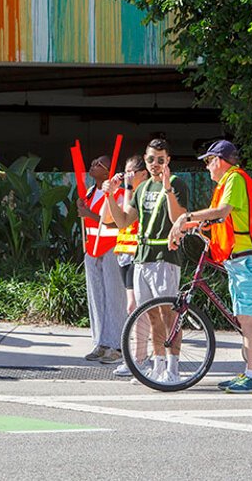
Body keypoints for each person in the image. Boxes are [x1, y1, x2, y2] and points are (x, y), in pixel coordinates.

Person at [168, 140, 252, 393]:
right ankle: (247, 372)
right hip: (240, 258)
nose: (207, 167)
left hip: (250, 256)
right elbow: (219, 220)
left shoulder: (235, 179)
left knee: (247, 318)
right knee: (242, 315)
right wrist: (188, 228)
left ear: (219, 160)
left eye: (208, 161)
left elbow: (222, 211)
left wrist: (187, 217)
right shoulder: (229, 183)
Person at [103, 138, 189, 383]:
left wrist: (168, 188)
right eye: (151, 159)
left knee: (168, 314)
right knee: (151, 315)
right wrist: (110, 196)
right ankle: (157, 364)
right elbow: (122, 221)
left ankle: (173, 368)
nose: (155, 164)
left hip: (165, 256)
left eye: (160, 160)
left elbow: (178, 218)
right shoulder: (142, 189)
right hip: (142, 258)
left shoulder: (177, 183)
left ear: (168, 160)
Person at [77, 155, 126, 365]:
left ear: (108, 172)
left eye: (98, 163)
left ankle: (116, 345)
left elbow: (118, 221)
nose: (92, 164)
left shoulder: (119, 193)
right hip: (92, 248)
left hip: (111, 248)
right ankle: (101, 342)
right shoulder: (89, 192)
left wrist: (88, 213)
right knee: (96, 296)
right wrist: (83, 209)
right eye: (93, 161)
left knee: (115, 297)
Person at [111, 154, 150, 377]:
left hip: (139, 252)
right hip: (124, 253)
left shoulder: (142, 192)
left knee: (137, 307)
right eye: (125, 172)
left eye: (130, 173)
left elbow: (128, 214)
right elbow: (111, 218)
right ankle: (138, 357)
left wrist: (126, 187)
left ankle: (139, 358)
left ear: (142, 174)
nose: (127, 177)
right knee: (133, 307)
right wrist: (110, 191)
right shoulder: (126, 192)